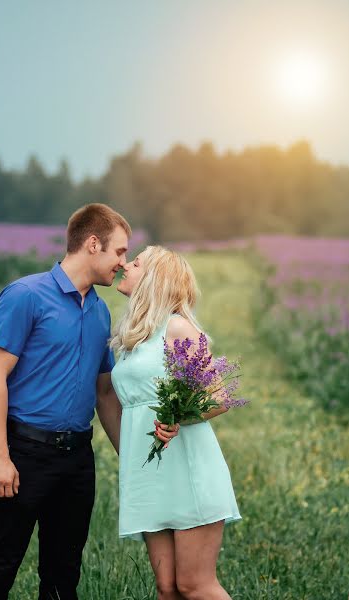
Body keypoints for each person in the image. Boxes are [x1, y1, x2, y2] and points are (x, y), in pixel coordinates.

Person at [0, 203, 175, 600]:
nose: (123, 262)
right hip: (24, 453)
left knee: (64, 575)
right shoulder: (26, 295)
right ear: (93, 244)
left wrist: (131, 459)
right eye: (119, 252)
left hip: (77, 461)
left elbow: (105, 394)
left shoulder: (99, 312)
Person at [110, 245, 242, 600]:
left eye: (135, 263)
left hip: (186, 467)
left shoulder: (177, 327)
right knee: (167, 588)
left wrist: (176, 417)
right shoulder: (131, 337)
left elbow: (218, 397)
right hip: (149, 470)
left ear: (153, 279)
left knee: (194, 585)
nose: (124, 265)